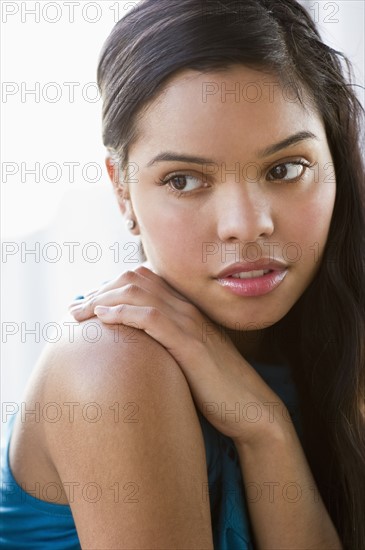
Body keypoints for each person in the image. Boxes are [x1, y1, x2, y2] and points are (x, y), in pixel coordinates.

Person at [1, 0, 364, 548]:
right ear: (122, 190)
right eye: (183, 181)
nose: (246, 225)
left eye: (284, 169)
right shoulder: (113, 364)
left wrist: (265, 430)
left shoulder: (342, 344)